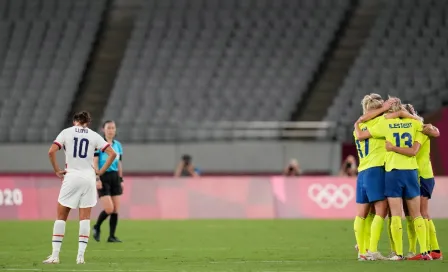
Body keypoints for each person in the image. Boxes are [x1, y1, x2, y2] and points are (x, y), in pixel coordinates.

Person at [355, 97, 431, 260]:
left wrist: (356, 123)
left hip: (381, 171)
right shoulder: (415, 124)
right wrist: (408, 115)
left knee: (381, 214)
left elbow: (361, 134)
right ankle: (423, 251)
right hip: (406, 171)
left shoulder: (381, 124)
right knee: (413, 214)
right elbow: (428, 128)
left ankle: (378, 250)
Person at [43, 111, 117, 264]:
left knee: (61, 217)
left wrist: (57, 170)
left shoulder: (66, 132)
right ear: (87, 123)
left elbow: (51, 151)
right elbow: (112, 153)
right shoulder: (94, 135)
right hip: (89, 178)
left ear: (74, 121)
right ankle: (80, 257)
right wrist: (101, 171)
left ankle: (55, 256)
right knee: (85, 219)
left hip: (71, 177)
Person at [384, 104, 442, 260]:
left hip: (422, 175)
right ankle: (421, 250)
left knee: (421, 213)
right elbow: (436, 132)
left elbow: (416, 148)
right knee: (412, 214)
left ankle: (433, 249)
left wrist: (393, 148)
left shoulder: (421, 129)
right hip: (417, 174)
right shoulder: (419, 127)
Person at [352, 93, 392, 261]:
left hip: (362, 172)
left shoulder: (358, 127)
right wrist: (386, 108)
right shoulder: (382, 122)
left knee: (363, 214)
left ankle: (363, 250)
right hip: (376, 170)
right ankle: (373, 250)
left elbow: (363, 119)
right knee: (382, 211)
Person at [92, 120, 124, 243]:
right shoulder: (98, 145)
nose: (111, 130)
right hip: (103, 177)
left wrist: (121, 179)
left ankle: (111, 236)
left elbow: (119, 163)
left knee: (116, 209)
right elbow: (95, 162)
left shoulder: (118, 145)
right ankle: (97, 226)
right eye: (108, 128)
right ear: (103, 130)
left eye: (113, 128)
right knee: (109, 209)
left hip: (114, 177)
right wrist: (97, 178)